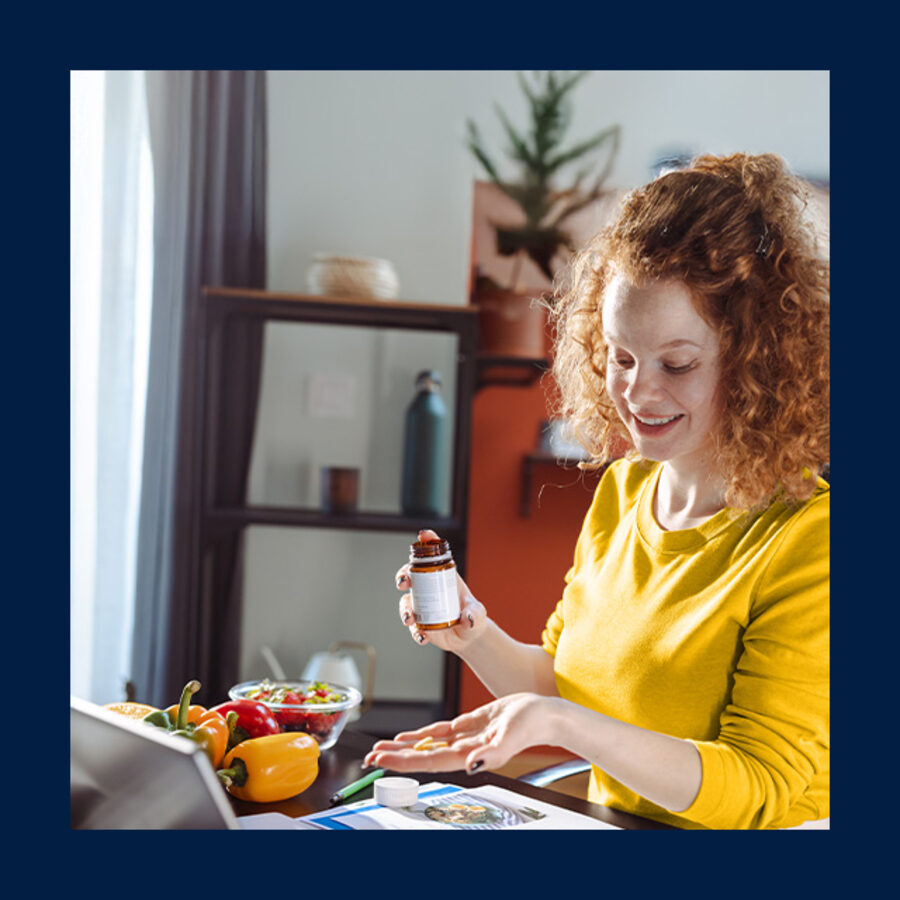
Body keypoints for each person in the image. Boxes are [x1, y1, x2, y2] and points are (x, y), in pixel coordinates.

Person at [364, 152, 829, 830]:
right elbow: (561, 686)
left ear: (760, 358)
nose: (638, 393)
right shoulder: (626, 491)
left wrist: (564, 723)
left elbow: (757, 787)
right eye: (620, 355)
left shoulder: (814, 542)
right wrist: (473, 634)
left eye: (677, 363)